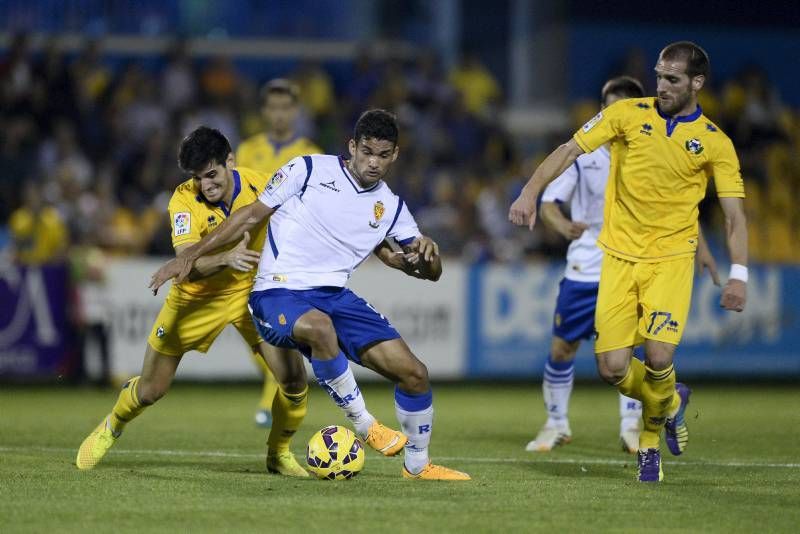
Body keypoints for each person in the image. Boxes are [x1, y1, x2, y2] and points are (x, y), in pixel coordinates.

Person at [151, 110, 471, 481]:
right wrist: (189, 255)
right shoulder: (308, 169)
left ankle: (417, 467)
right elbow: (251, 215)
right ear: (352, 146)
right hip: (277, 291)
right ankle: (366, 426)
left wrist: (429, 257)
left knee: (415, 374)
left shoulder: (392, 209)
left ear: (395, 155)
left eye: (383, 155)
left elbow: (424, 270)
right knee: (320, 329)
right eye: (366, 151)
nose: (373, 162)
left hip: (335, 295)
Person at [509, 42, 747, 482]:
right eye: (658, 76)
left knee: (657, 356)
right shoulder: (626, 115)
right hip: (616, 258)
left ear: (697, 83)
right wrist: (529, 192)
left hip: (671, 261)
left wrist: (738, 273)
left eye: (673, 79)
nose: (662, 86)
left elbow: (732, 216)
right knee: (612, 368)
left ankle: (649, 443)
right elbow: (568, 150)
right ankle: (672, 402)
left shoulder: (716, 143)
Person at [76, 127, 312, 477]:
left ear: (230, 161)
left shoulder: (263, 185)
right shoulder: (182, 201)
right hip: (194, 299)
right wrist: (224, 259)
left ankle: (277, 453)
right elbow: (185, 267)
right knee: (152, 389)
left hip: (252, 293)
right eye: (198, 178)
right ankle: (114, 423)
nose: (206, 185)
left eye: (212, 174)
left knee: (293, 380)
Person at [236, 78, 321, 428]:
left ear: (296, 111)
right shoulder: (246, 150)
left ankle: (272, 395)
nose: (279, 114)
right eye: (273, 107)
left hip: (290, 253)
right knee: (247, 323)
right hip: (253, 250)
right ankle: (278, 382)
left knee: (278, 324)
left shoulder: (312, 154)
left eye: (286, 107)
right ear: (264, 112)